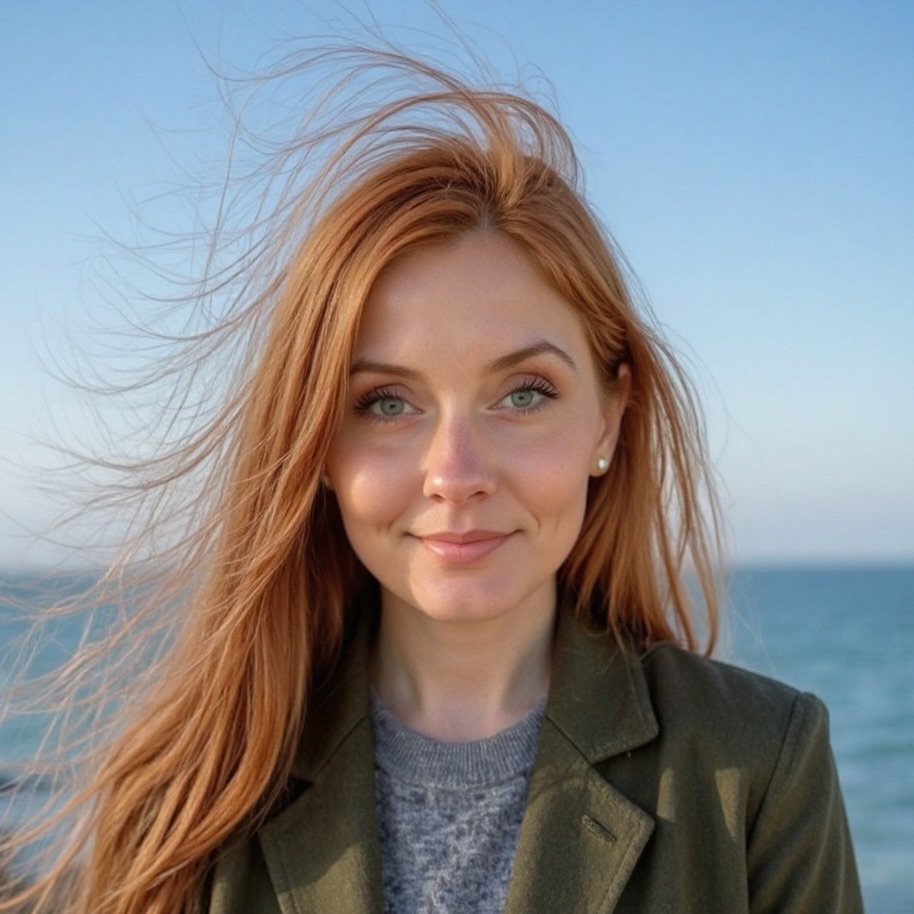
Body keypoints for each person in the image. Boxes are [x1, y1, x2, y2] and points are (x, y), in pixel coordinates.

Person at [2, 49, 862, 914]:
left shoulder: (760, 768)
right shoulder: (184, 800)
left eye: (524, 394)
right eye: (385, 403)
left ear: (609, 416)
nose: (455, 474)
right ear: (317, 445)